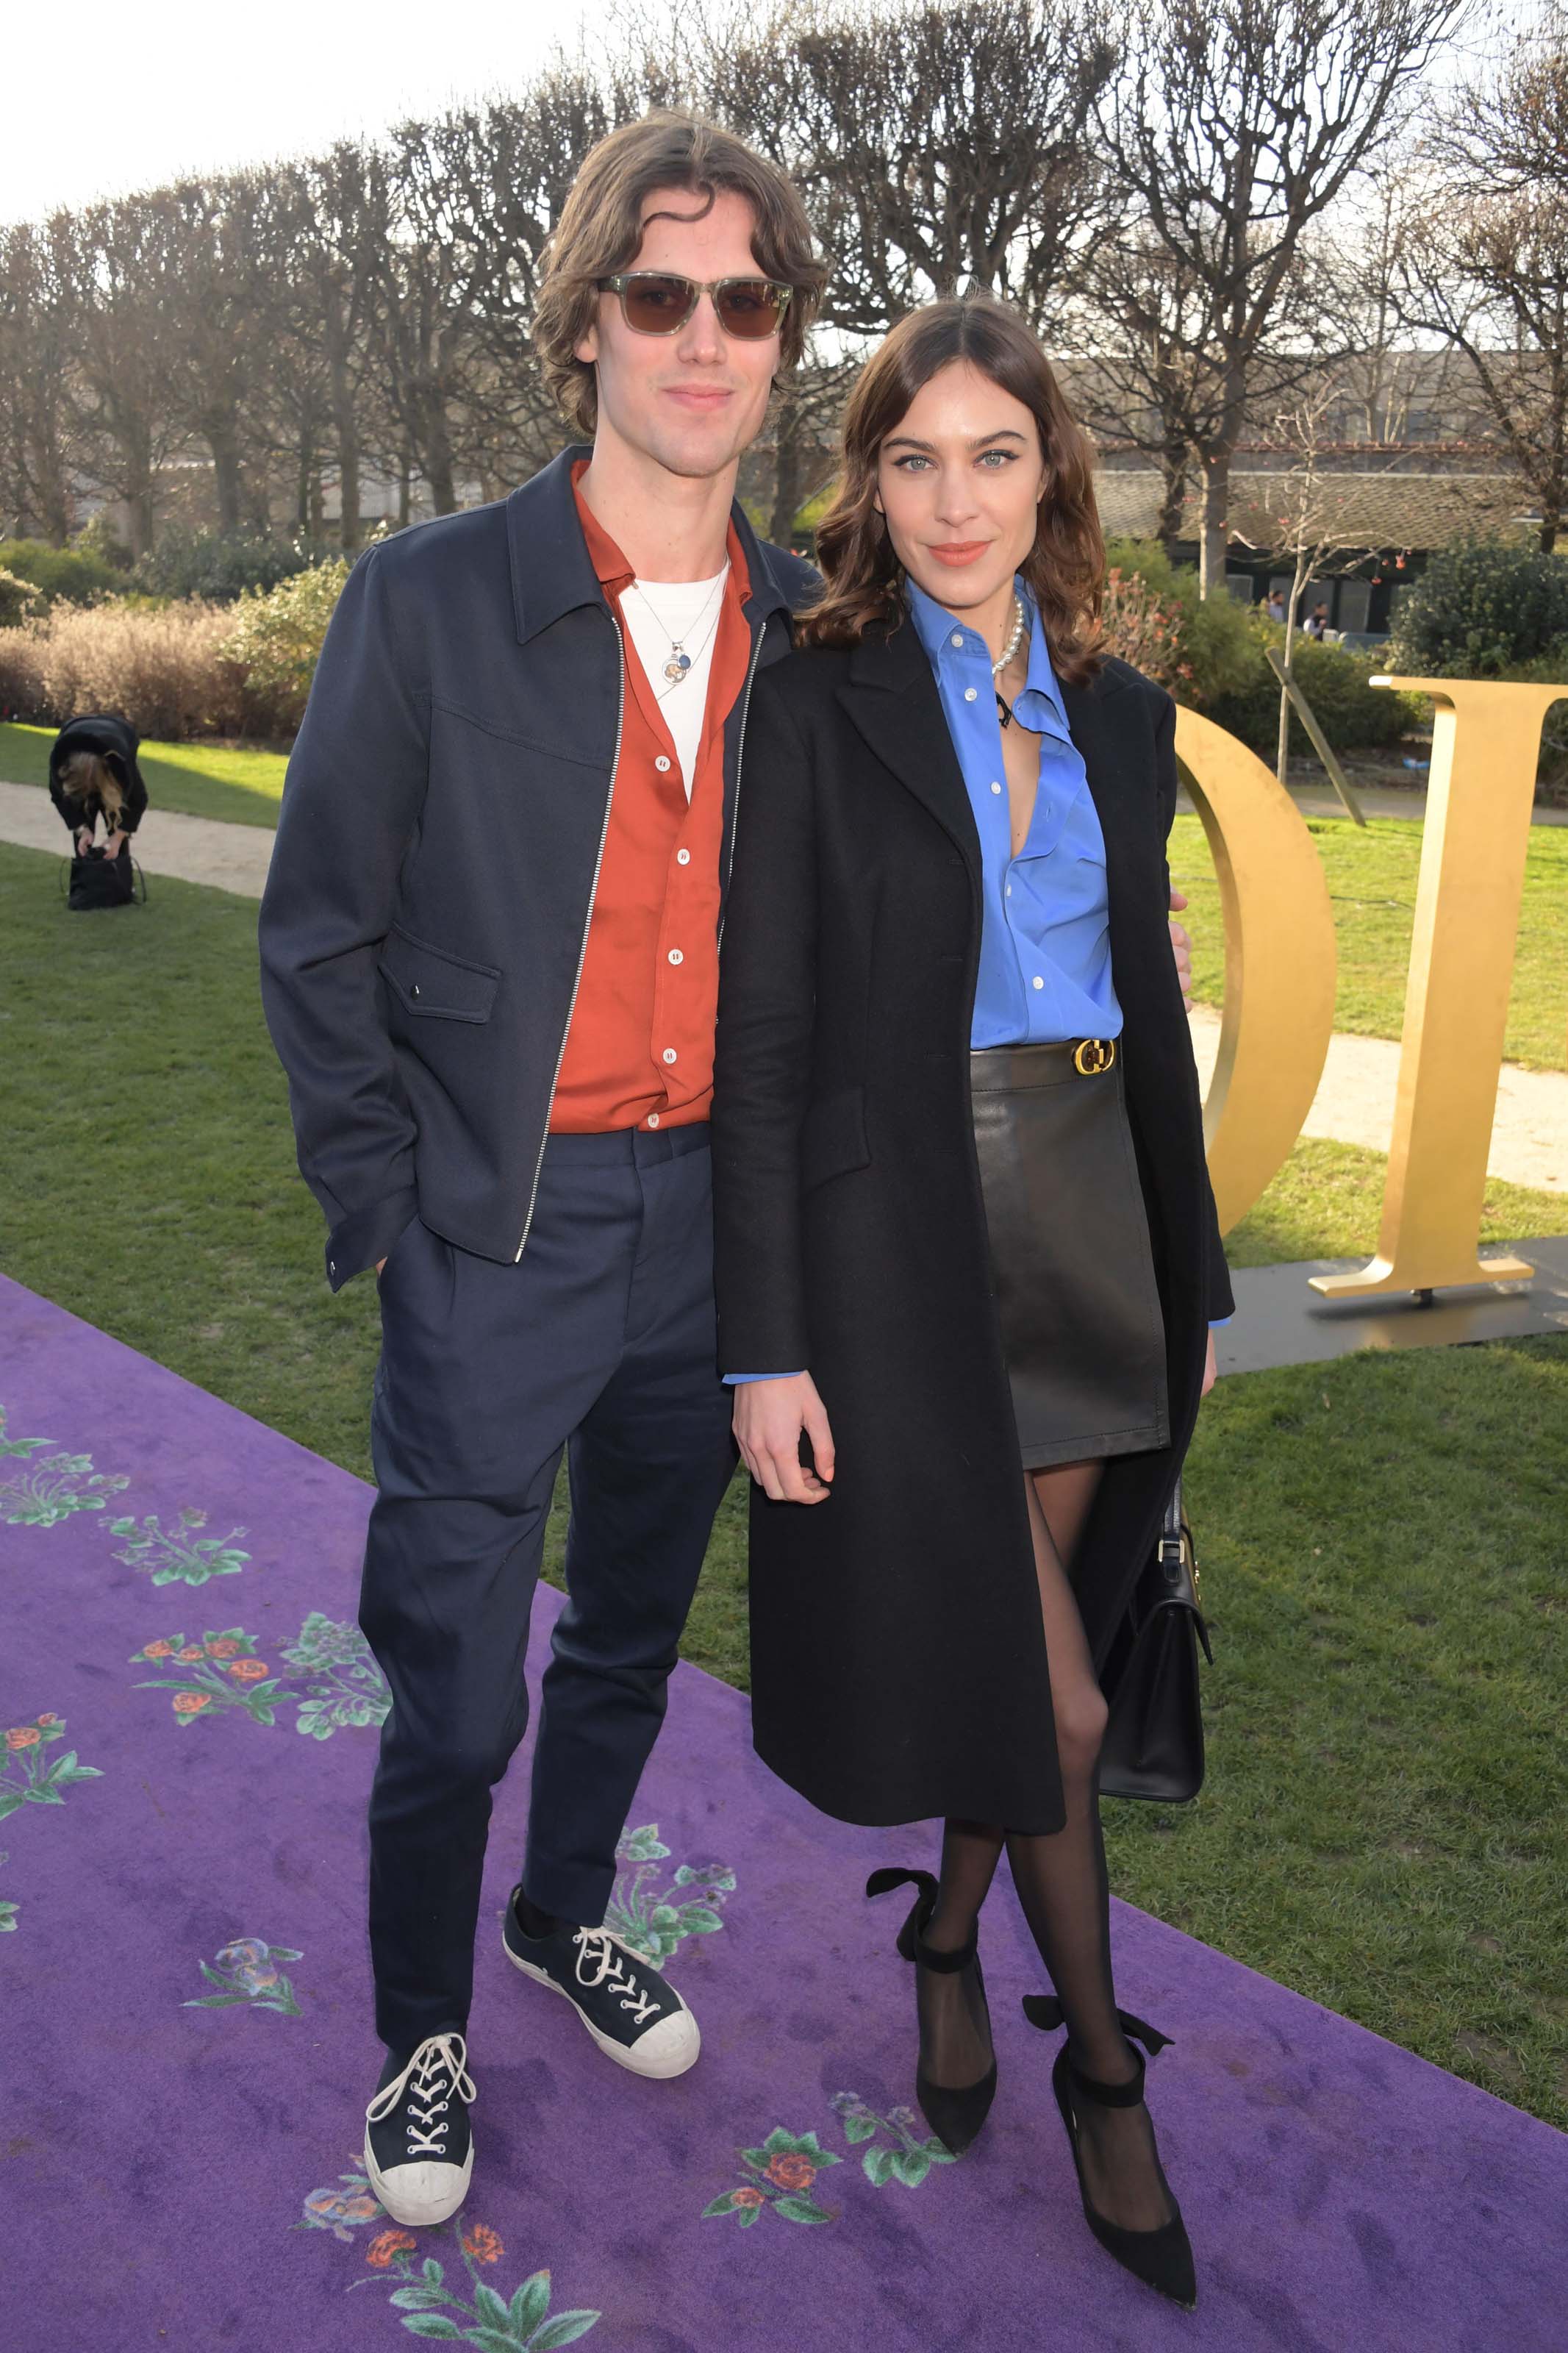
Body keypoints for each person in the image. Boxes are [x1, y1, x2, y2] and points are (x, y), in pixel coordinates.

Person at [258, 112, 828, 2230]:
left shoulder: (811, 628)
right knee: (456, 1675)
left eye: (744, 301)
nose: (702, 338)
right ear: (587, 319)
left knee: (629, 1636)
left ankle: (556, 1916)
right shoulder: (426, 601)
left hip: (713, 1236)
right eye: (660, 292)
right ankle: (423, 2022)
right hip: (493, 1237)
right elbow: (316, 929)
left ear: (779, 345)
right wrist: (393, 1202)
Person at [711, 296, 1233, 2311]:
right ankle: (1103, 2072)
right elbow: (764, 1040)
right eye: (910, 458)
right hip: (895, 1246)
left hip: (1097, 1210)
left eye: (991, 456)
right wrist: (765, 1336)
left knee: (1008, 1675)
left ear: (1049, 475)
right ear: (867, 479)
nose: (952, 499)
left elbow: (1150, 996)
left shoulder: (1120, 711)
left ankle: (942, 1941)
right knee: (1058, 1703)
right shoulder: (812, 696)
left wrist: (1185, 1269)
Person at [48, 713, 147, 865]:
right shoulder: (61, 766)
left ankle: (121, 880)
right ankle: (84, 882)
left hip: (118, 735)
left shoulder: (120, 764)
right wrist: (81, 828)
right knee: (83, 838)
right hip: (76, 728)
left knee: (117, 834)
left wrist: (119, 836)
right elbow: (59, 798)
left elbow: (139, 800)